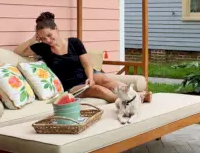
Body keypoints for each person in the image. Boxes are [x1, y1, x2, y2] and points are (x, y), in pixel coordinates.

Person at [14, 12, 151, 103]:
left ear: (56, 29)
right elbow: (18, 51)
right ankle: (132, 100)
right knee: (98, 90)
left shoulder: (74, 42)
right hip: (71, 85)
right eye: (43, 38)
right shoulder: (42, 48)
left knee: (104, 79)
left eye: (49, 35)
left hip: (85, 75)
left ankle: (133, 93)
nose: (48, 40)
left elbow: (87, 64)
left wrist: (90, 78)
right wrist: (34, 38)